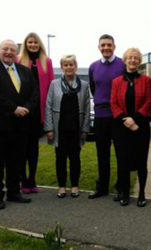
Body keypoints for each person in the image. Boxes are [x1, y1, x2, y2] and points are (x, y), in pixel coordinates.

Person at [0, 39, 38, 209]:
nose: (9, 52)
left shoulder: (25, 71)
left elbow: (34, 93)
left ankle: (14, 192)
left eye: (13, 49)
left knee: (16, 161)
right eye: (5, 49)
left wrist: (26, 108)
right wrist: (13, 109)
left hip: (19, 126)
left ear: (17, 53)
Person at [110, 48, 151, 207]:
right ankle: (125, 193)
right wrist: (125, 120)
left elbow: (148, 101)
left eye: (136, 58)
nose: (133, 60)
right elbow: (113, 103)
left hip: (140, 127)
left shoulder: (146, 80)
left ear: (139, 61)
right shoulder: (116, 81)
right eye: (130, 58)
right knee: (123, 162)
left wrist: (134, 119)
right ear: (125, 60)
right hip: (121, 127)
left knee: (141, 161)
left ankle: (142, 194)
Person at [44, 55, 90, 198]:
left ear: (75, 66)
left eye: (71, 64)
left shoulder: (84, 85)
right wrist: (49, 128)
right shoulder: (54, 84)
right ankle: (62, 187)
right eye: (66, 65)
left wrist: (85, 129)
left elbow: (87, 108)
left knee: (75, 158)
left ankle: (75, 186)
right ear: (62, 67)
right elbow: (48, 106)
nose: (69, 67)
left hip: (76, 129)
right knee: (60, 159)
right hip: (60, 129)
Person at [17, 32, 55, 194]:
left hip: (39, 111)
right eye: (30, 42)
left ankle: (32, 179)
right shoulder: (18, 60)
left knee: (34, 148)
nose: (33, 45)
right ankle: (23, 180)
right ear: (25, 44)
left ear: (40, 44)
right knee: (21, 148)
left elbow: (52, 86)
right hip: (23, 111)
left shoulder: (47, 62)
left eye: (35, 42)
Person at [88, 34, 125, 199]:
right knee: (102, 154)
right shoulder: (93, 67)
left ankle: (121, 188)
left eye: (109, 45)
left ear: (114, 46)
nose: (106, 48)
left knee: (120, 153)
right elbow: (94, 88)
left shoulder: (122, 65)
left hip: (118, 116)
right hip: (100, 116)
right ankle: (102, 187)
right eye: (103, 45)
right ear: (99, 47)